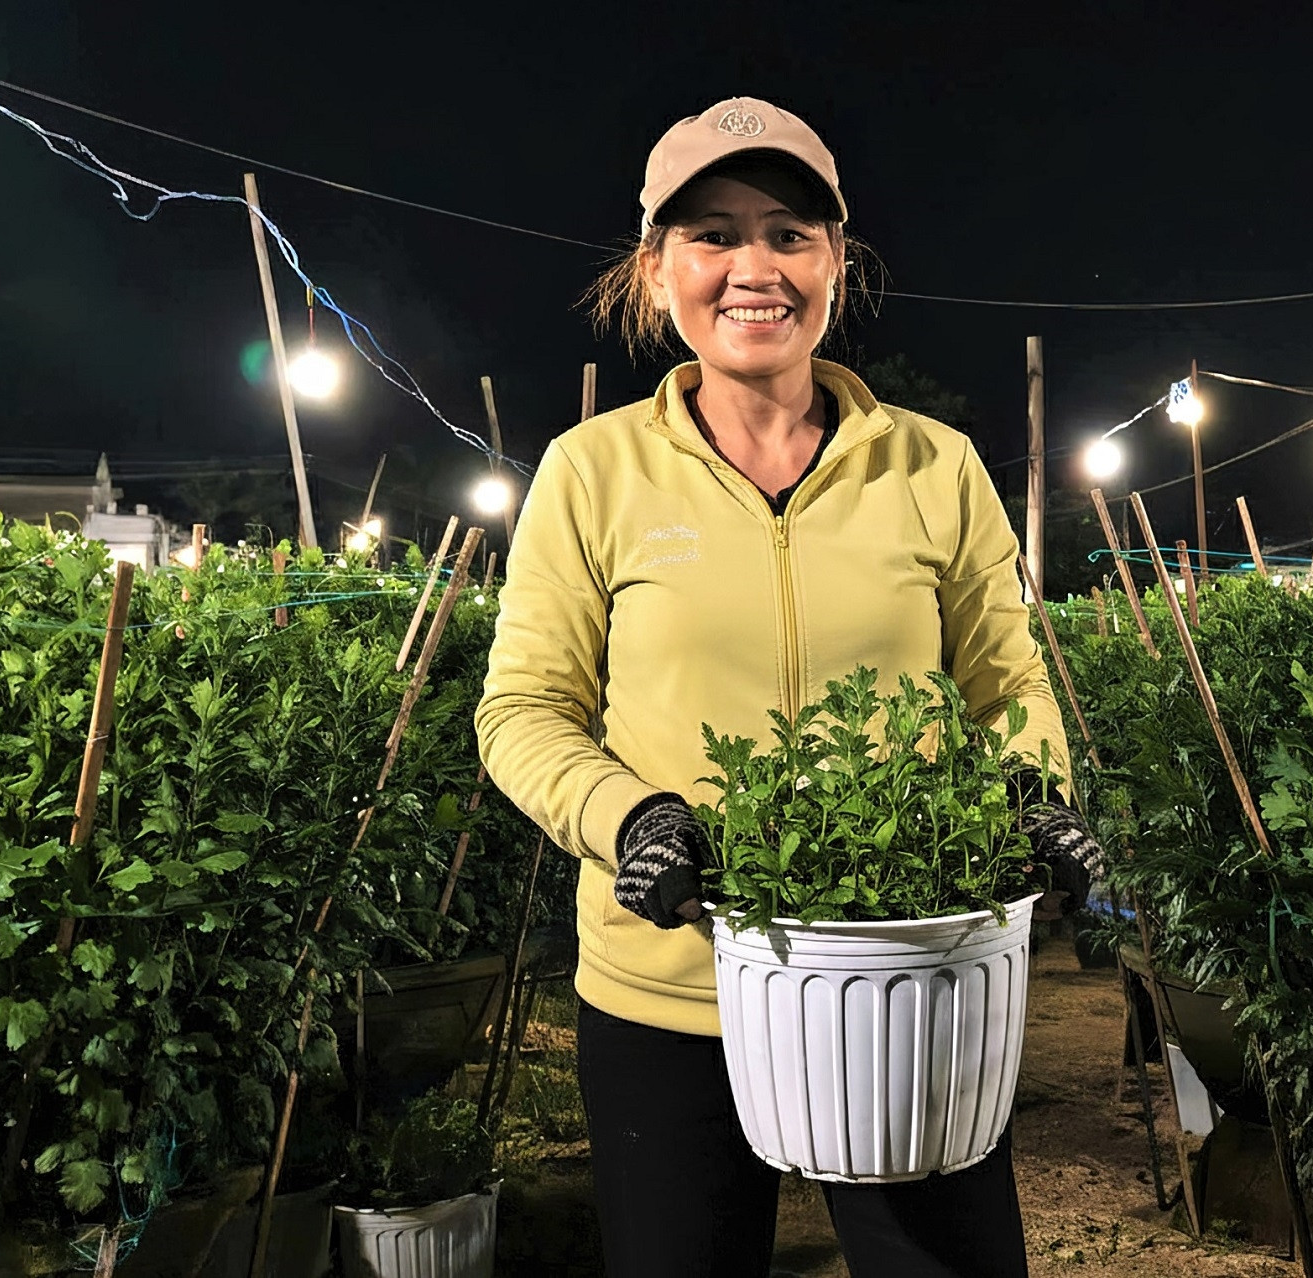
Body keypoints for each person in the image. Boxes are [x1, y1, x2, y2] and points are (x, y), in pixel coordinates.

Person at [476, 96, 1105, 1278]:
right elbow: (523, 710)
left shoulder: (933, 465)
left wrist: (1030, 793)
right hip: (668, 992)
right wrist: (634, 819)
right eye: (712, 235)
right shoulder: (591, 471)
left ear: (836, 262)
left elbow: (1006, 684)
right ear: (657, 269)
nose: (753, 268)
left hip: (905, 974)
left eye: (788, 233)